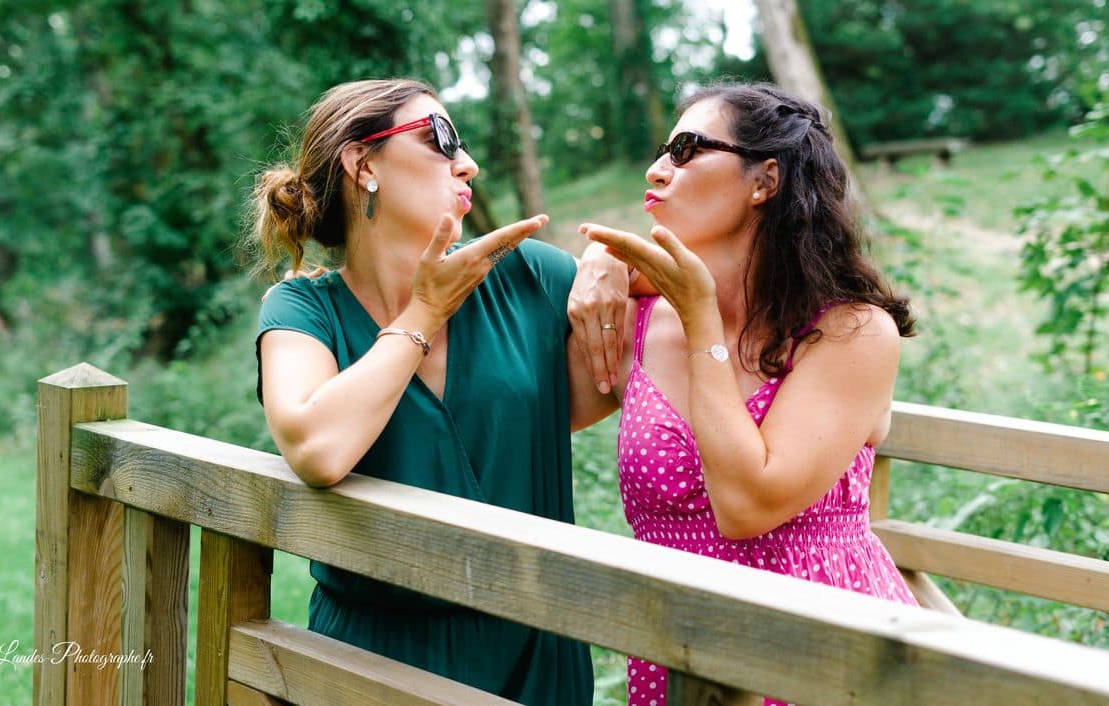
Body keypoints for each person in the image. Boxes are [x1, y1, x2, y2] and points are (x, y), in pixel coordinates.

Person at [248, 78, 629, 705]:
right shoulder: (302, 310)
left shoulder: (529, 276)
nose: (467, 163)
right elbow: (318, 448)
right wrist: (425, 312)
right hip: (372, 666)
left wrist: (608, 261)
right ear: (363, 164)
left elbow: (654, 337)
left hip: (538, 658)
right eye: (441, 139)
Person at [571, 82, 920, 706]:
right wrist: (601, 257)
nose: (657, 169)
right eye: (662, 151)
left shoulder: (853, 333)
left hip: (822, 652)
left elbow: (746, 506)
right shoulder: (639, 321)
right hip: (676, 647)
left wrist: (701, 322)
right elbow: (517, 413)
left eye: (686, 149)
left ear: (764, 180)